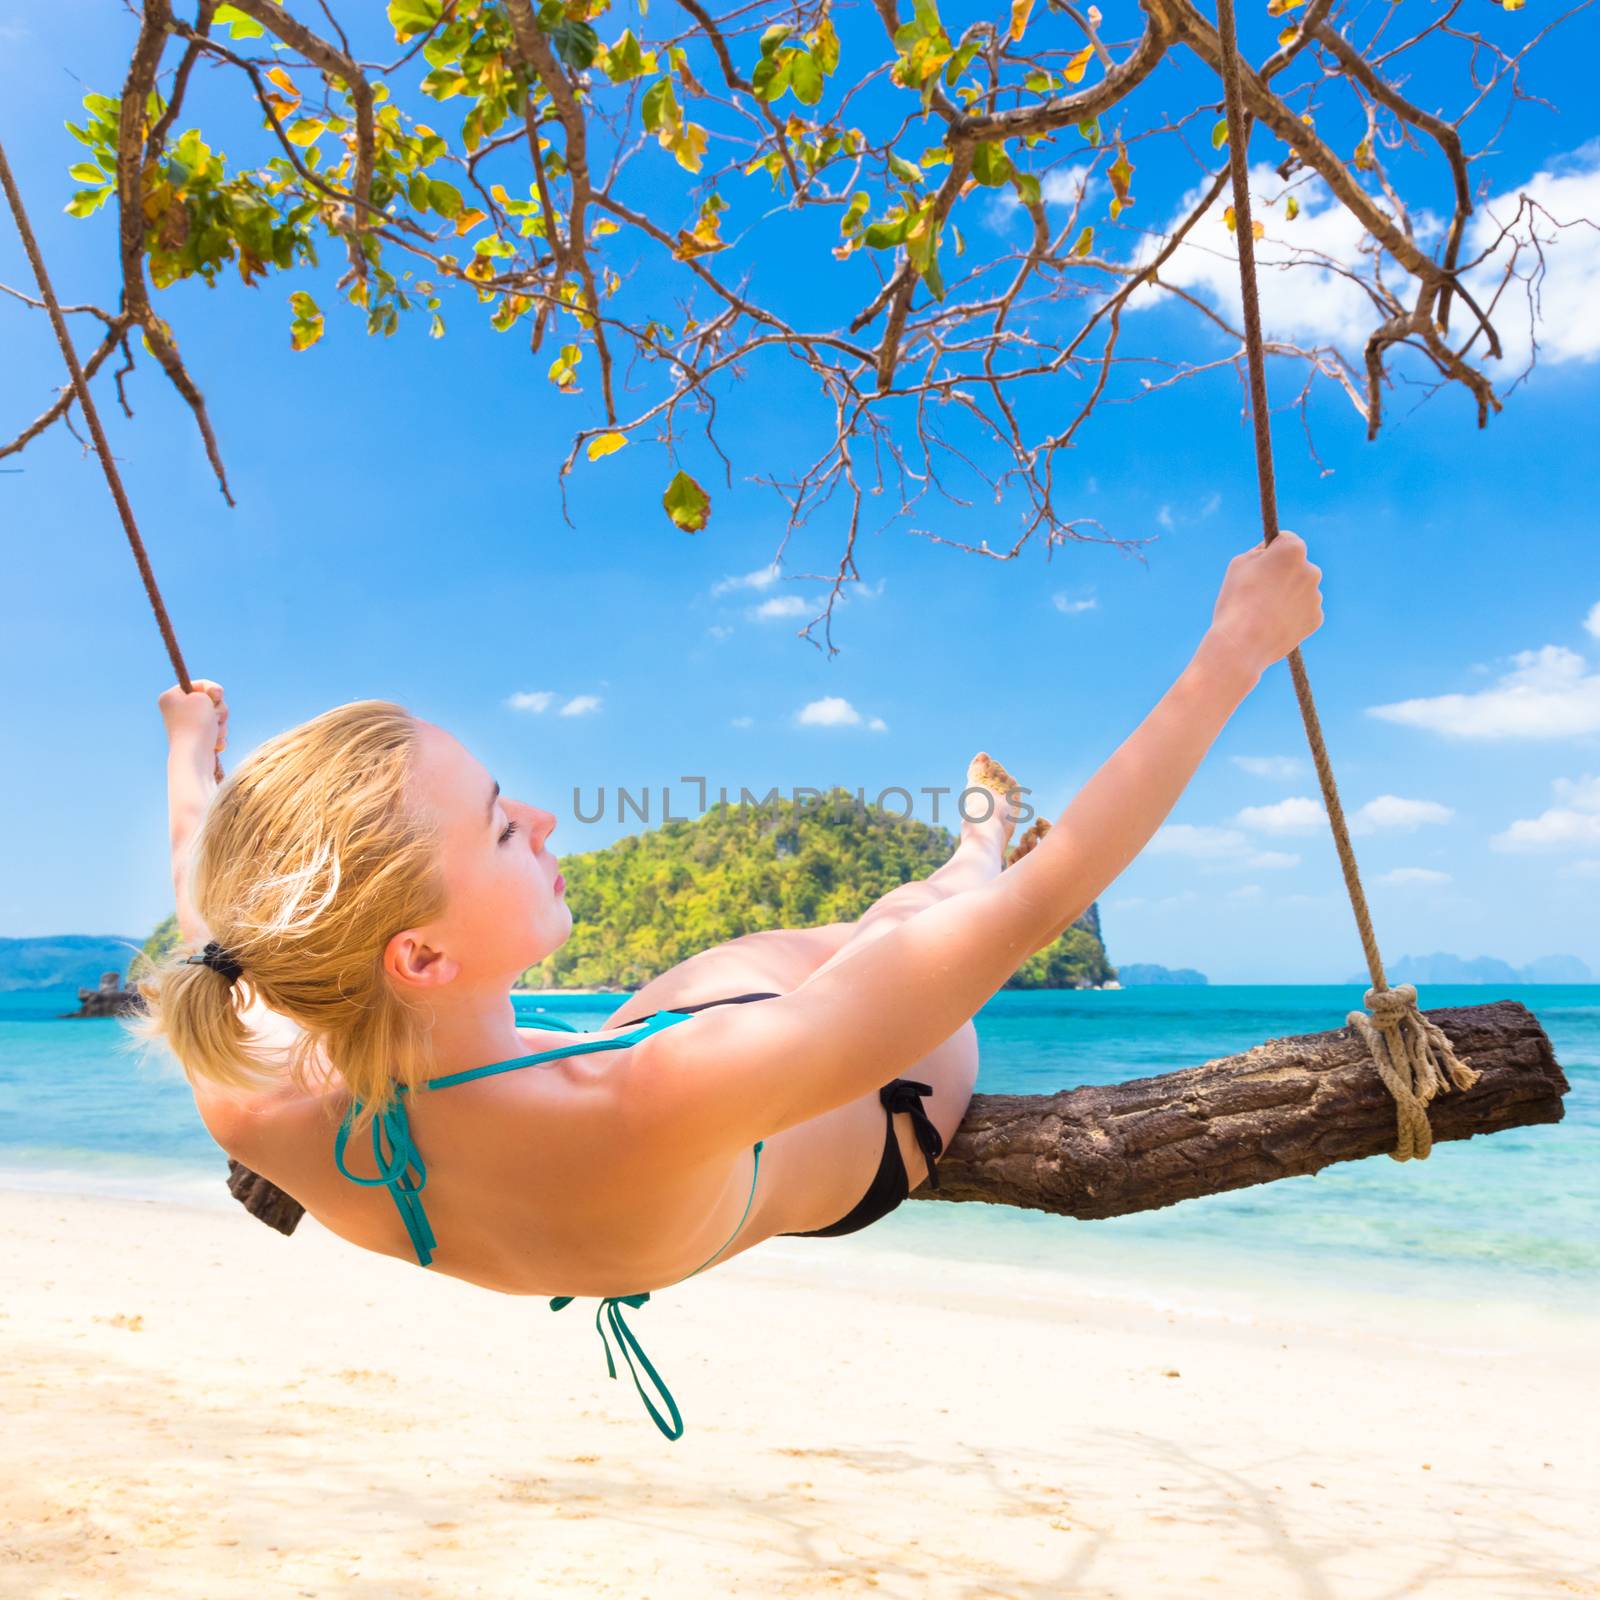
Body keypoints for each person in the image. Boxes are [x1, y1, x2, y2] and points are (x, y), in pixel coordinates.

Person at [130, 531, 1321, 1435]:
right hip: (865, 1117)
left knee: (768, 959)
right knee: (909, 920)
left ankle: (956, 854)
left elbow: (210, 910)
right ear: (423, 958)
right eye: (500, 827)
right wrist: (1234, 652)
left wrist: (191, 754)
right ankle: (970, 842)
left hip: (662, 1072)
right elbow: (1043, 907)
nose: (545, 818)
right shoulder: (648, 1095)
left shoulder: (250, 1082)